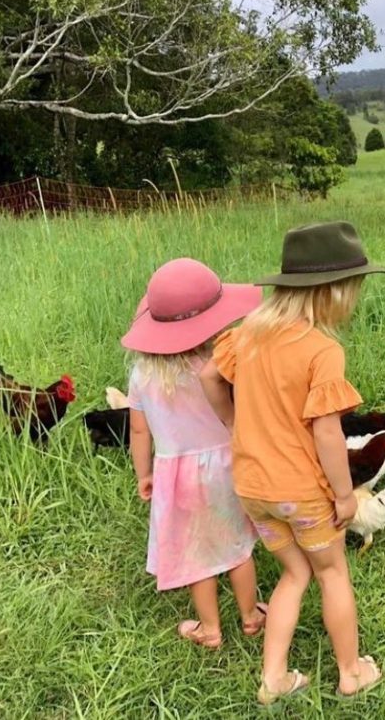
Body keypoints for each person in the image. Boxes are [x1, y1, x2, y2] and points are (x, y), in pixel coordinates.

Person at [201, 221, 385, 704]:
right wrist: (345, 495)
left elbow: (208, 376)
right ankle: (350, 671)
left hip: (252, 487)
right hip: (301, 492)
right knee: (331, 573)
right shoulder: (322, 350)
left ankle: (275, 679)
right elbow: (327, 432)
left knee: (294, 574)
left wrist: (233, 424)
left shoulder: (246, 336)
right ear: (330, 293)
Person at [121, 258, 266, 649]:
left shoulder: (141, 375)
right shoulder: (215, 365)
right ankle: (251, 615)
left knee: (197, 557)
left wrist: (143, 474)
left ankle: (210, 628)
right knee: (236, 545)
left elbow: (139, 429)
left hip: (175, 475)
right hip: (225, 466)